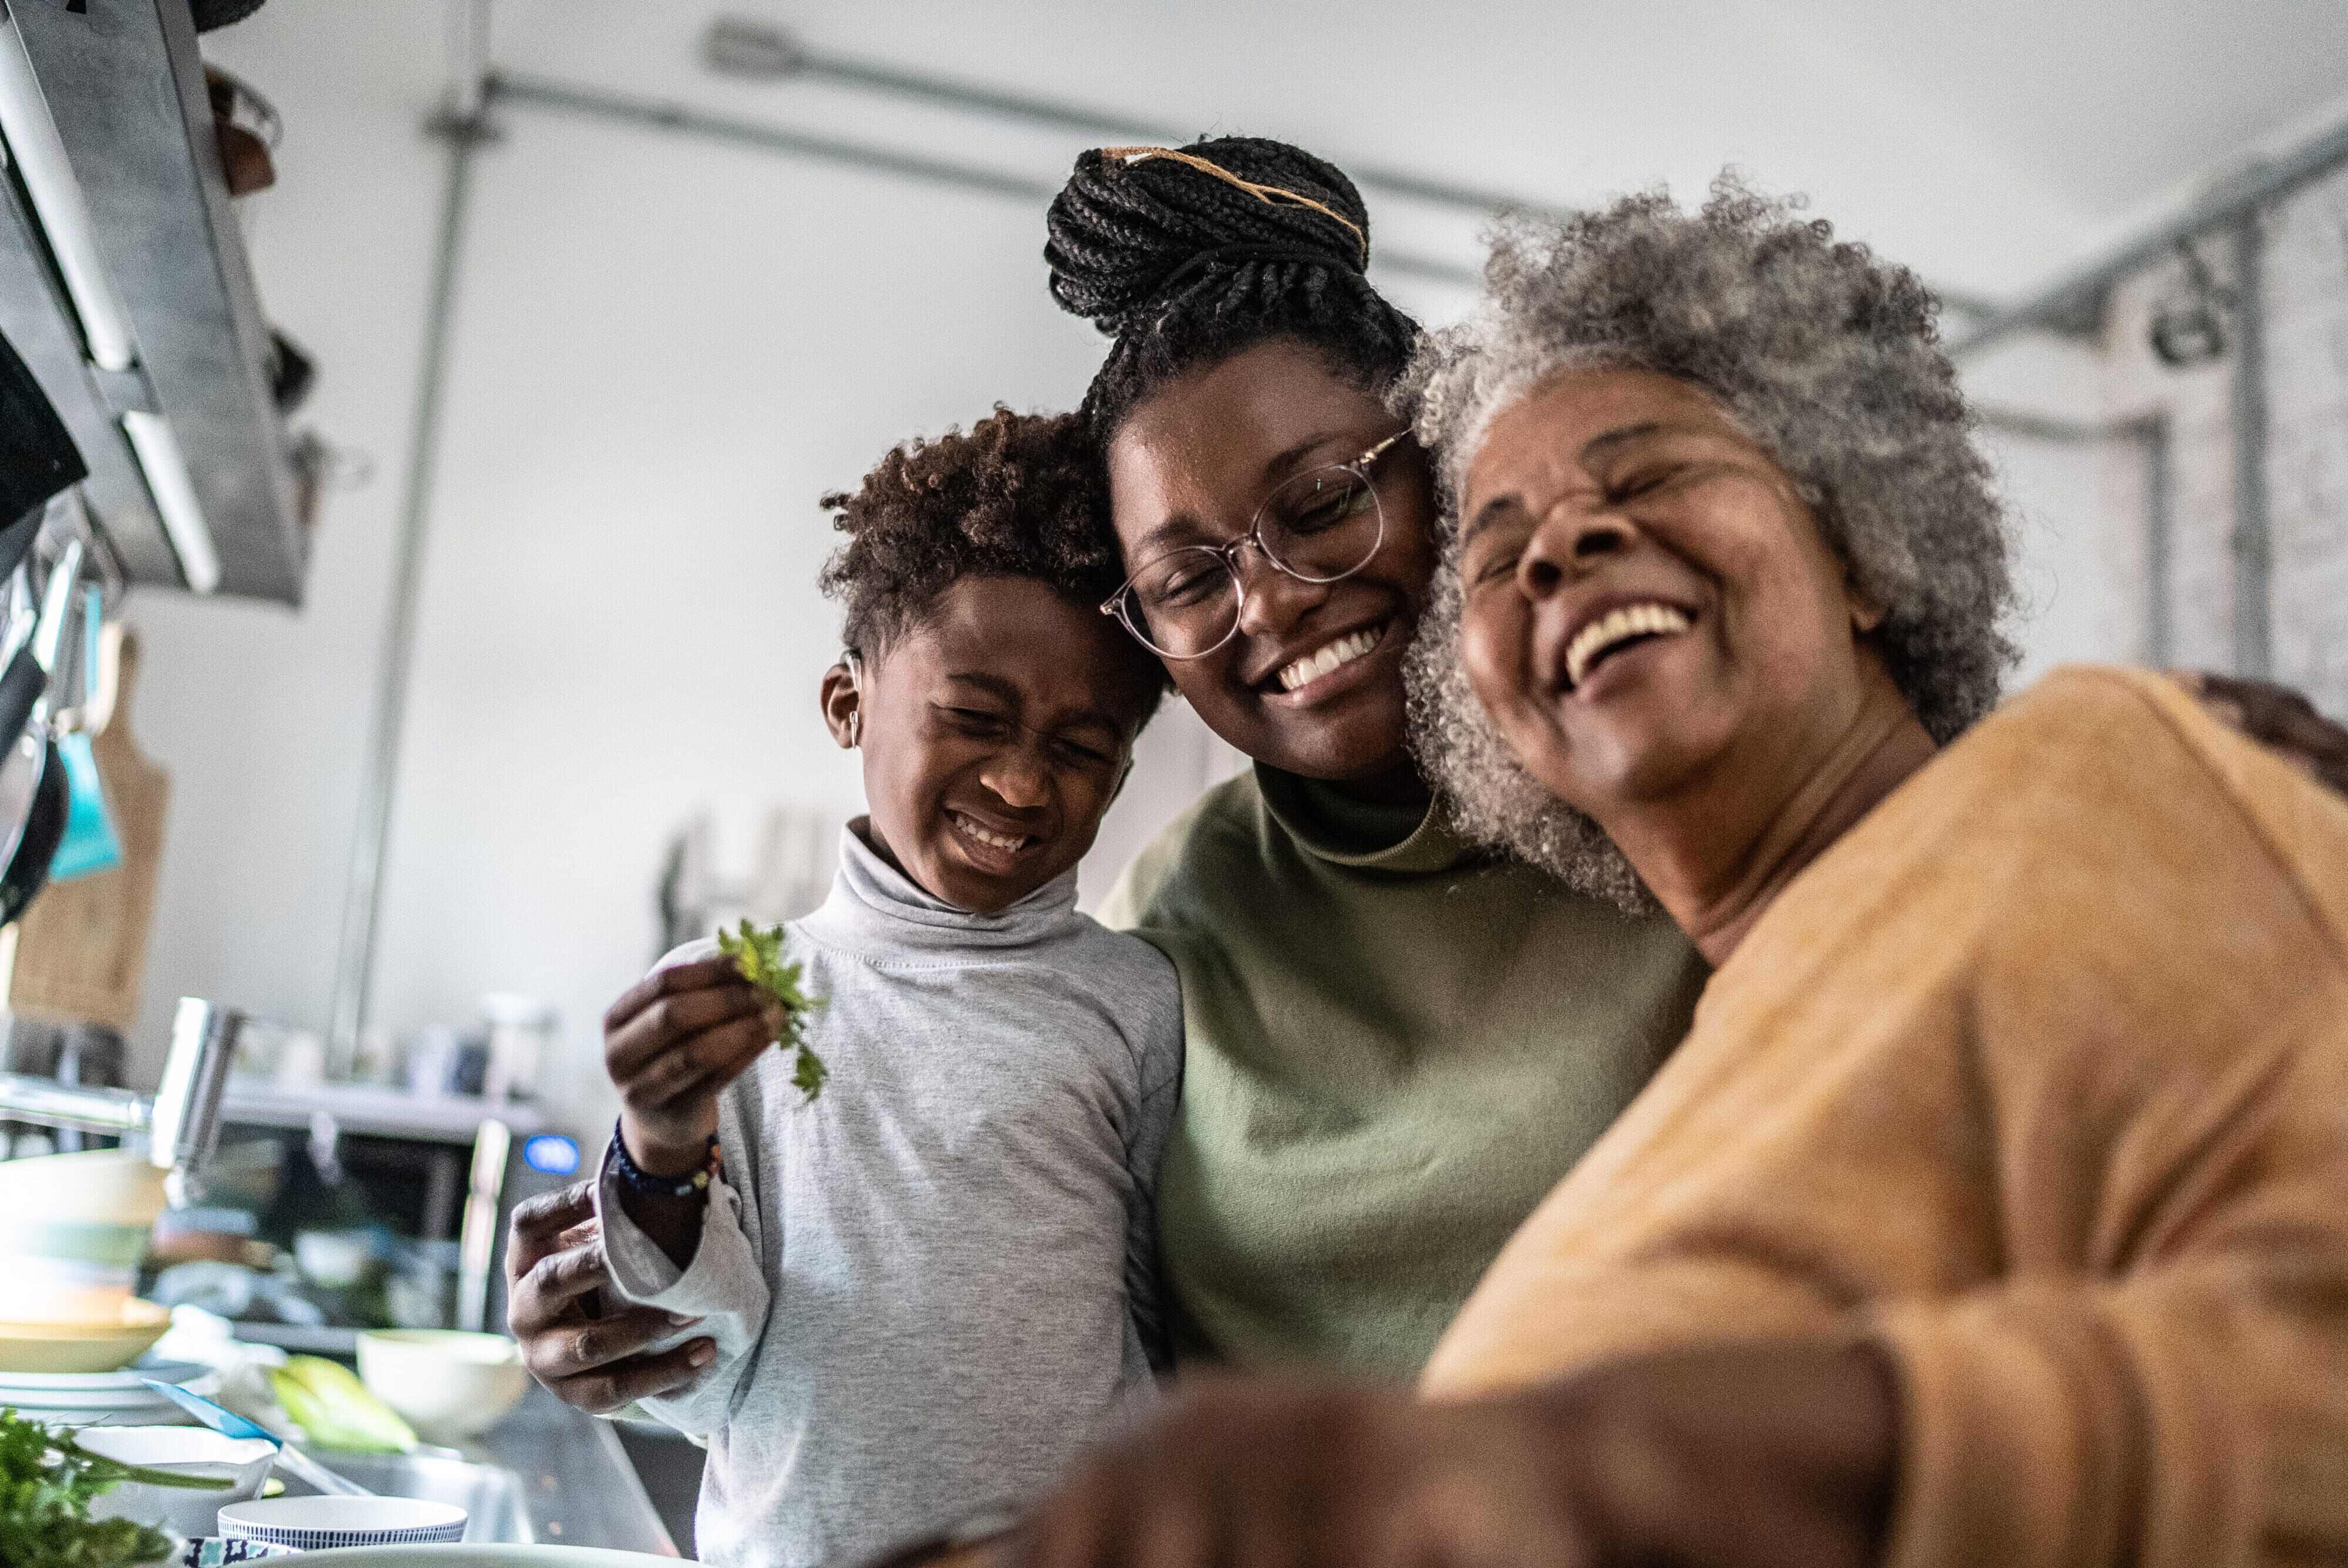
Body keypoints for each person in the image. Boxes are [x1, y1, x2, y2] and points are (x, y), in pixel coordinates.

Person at [506, 134, 2348, 1418]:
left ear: (1441, 464)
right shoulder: (1166, 936)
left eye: (1325, 505)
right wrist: (669, 1297)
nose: (1278, 604)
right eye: (1185, 581)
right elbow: (988, 1318)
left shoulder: (1701, 819)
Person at [1000, 181, 2348, 1568]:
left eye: (1642, 480)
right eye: (1505, 552)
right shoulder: (1174, 933)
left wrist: (1601, 1466)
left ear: (1858, 536)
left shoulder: (2066, 806)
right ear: (1495, 701)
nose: (1273, 597)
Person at [587, 408, 1183, 1568]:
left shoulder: (1140, 1004)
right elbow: (693, 1381)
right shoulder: (728, 1004)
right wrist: (660, 1142)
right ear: (847, 703)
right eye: (972, 719)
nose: (1017, 782)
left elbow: (1166, 1330)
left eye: (1079, 748)